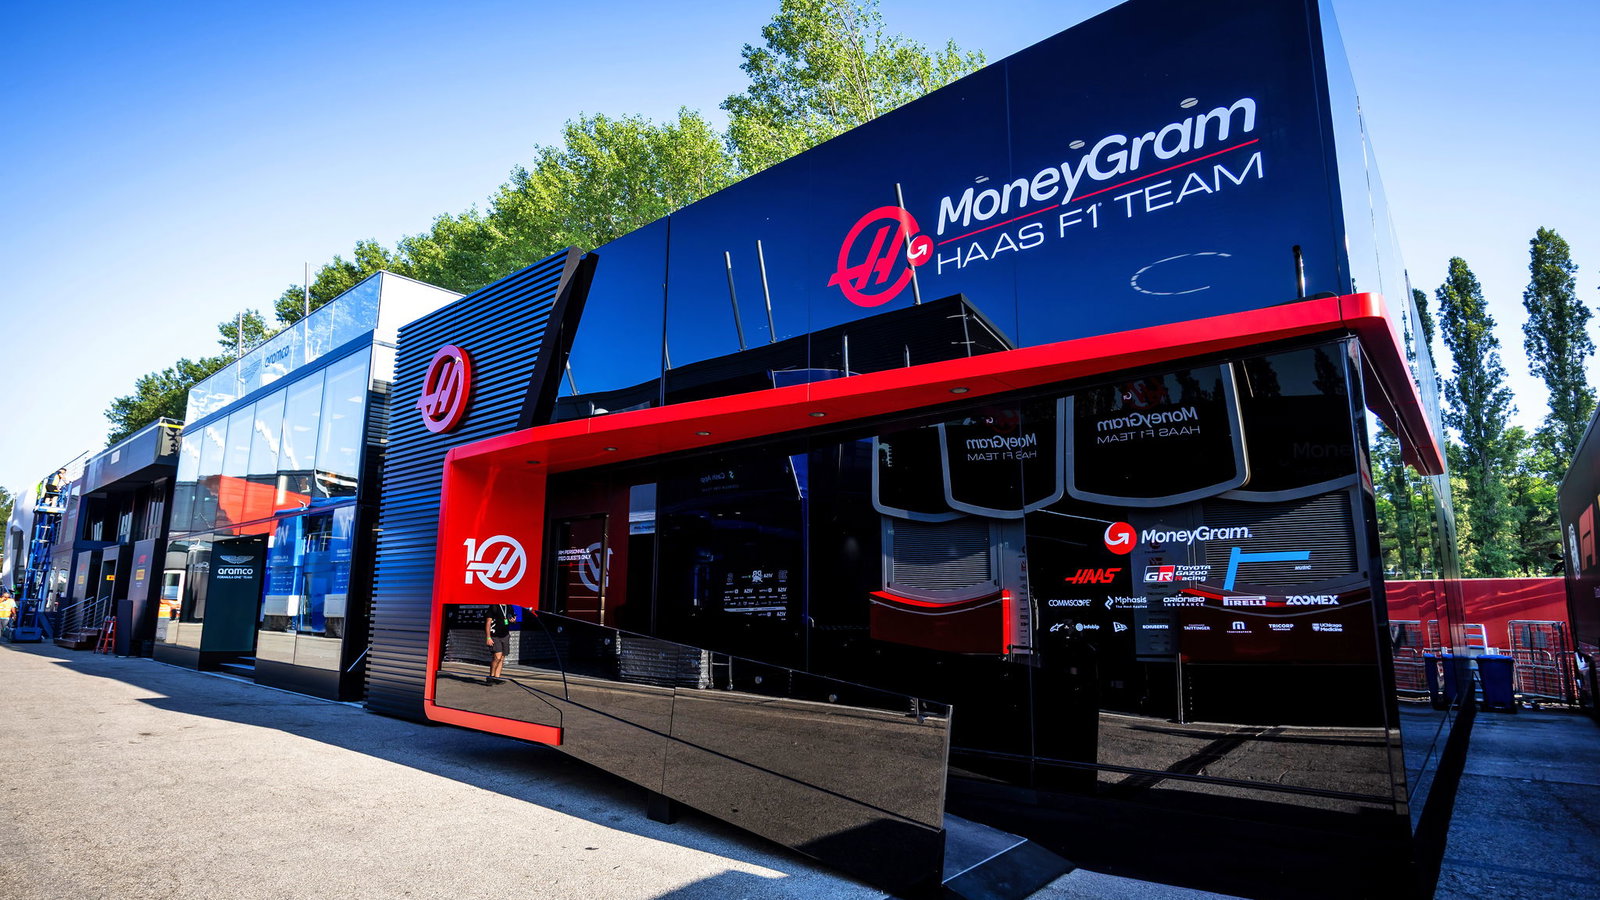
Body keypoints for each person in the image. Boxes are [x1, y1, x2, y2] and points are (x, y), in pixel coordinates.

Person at [484, 603, 515, 684]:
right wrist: (488, 637)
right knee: (497, 657)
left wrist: (513, 620)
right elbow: (488, 622)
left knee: (502, 657)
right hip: (495, 636)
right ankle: (491, 677)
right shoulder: (494, 606)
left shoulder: (509, 606)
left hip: (505, 635)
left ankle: (497, 677)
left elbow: (512, 617)